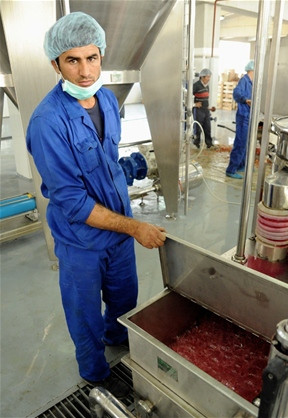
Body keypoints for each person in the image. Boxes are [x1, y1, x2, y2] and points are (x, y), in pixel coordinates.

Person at [26, 12, 166, 399]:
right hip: (81, 241)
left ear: (102, 56)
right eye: (73, 60)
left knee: (124, 300)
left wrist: (128, 170)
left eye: (92, 58)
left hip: (118, 237)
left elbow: (103, 163)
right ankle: (94, 371)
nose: (85, 70)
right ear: (56, 63)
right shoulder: (47, 122)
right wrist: (136, 227)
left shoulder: (106, 98)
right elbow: (72, 199)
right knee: (85, 315)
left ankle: (119, 339)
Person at [226, 60, 254, 179]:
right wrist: (245, 99)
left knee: (246, 143)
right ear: (252, 69)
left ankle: (241, 165)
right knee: (240, 142)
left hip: (249, 115)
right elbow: (236, 93)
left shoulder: (252, 82)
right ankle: (231, 169)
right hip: (243, 115)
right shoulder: (244, 80)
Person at [193, 68, 216, 149]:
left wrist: (209, 108)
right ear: (202, 77)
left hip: (206, 110)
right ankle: (196, 143)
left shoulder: (207, 86)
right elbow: (188, 98)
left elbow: (205, 98)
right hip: (198, 110)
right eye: (207, 77)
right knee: (198, 127)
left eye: (209, 77)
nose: (209, 79)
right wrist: (195, 104)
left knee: (207, 127)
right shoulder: (195, 86)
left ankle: (209, 143)